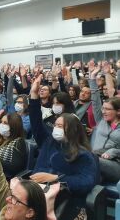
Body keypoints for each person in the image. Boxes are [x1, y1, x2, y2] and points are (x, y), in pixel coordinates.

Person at [29, 74, 98, 218]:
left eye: (60, 126)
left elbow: (86, 181)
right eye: (55, 125)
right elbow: (36, 123)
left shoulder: (84, 154)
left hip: (61, 201)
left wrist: (56, 177)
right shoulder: (48, 141)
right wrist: (34, 95)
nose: (55, 128)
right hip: (36, 195)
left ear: (72, 130)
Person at [0, 110, 47, 220]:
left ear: (30, 213)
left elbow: (13, 167)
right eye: (11, 195)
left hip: (7, 177)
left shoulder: (18, 142)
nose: (8, 199)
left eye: (14, 198)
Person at [88, 63, 120, 183]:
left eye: (107, 109)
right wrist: (92, 77)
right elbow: (95, 99)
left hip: (115, 164)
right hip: (96, 158)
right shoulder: (101, 120)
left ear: (118, 111)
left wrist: (113, 152)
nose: (103, 111)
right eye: (103, 108)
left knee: (90, 160)